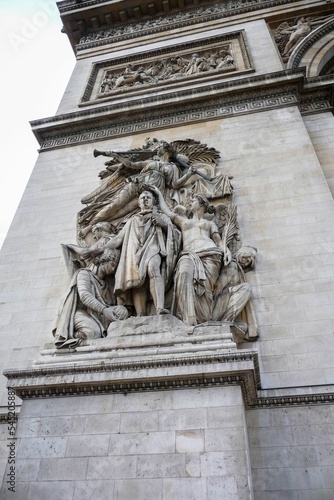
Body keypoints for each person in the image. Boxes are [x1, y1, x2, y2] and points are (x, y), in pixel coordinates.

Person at [84, 190, 180, 317]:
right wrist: (101, 249)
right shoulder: (132, 220)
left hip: (153, 248)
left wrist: (164, 225)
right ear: (139, 203)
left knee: (153, 268)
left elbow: (176, 234)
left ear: (153, 201)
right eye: (142, 198)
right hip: (134, 252)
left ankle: (160, 308)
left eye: (148, 197)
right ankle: (140, 314)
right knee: (136, 281)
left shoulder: (161, 216)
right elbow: (118, 239)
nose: (145, 199)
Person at [147, 185, 231, 326]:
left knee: (205, 290)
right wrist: (158, 194)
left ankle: (203, 318)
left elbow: (219, 241)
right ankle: (188, 319)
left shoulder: (209, 223)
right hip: (188, 254)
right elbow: (167, 211)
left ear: (201, 204)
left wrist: (226, 250)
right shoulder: (183, 221)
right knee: (183, 274)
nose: (189, 203)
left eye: (193, 201)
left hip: (210, 254)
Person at [79, 141, 197, 238]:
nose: (157, 149)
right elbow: (131, 164)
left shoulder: (172, 167)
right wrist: (117, 156)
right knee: (115, 204)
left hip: (149, 193)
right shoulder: (151, 162)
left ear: (166, 150)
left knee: (122, 211)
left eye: (159, 147)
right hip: (135, 185)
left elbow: (175, 184)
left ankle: (106, 223)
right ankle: (90, 226)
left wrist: (188, 174)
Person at [52, 268, 128, 349]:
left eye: (114, 264)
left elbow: (108, 304)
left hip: (95, 313)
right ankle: (72, 335)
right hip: (75, 311)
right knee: (94, 332)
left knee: (122, 311)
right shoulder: (84, 274)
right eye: (111, 264)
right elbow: (84, 296)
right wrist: (104, 310)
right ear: (102, 262)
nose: (112, 267)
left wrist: (113, 310)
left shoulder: (108, 282)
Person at [212, 246, 259, 341]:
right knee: (246, 288)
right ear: (241, 254)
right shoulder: (232, 264)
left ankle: (226, 320)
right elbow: (220, 287)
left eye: (248, 263)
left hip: (223, 299)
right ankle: (226, 321)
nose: (245, 263)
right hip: (219, 302)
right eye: (246, 259)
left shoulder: (236, 267)